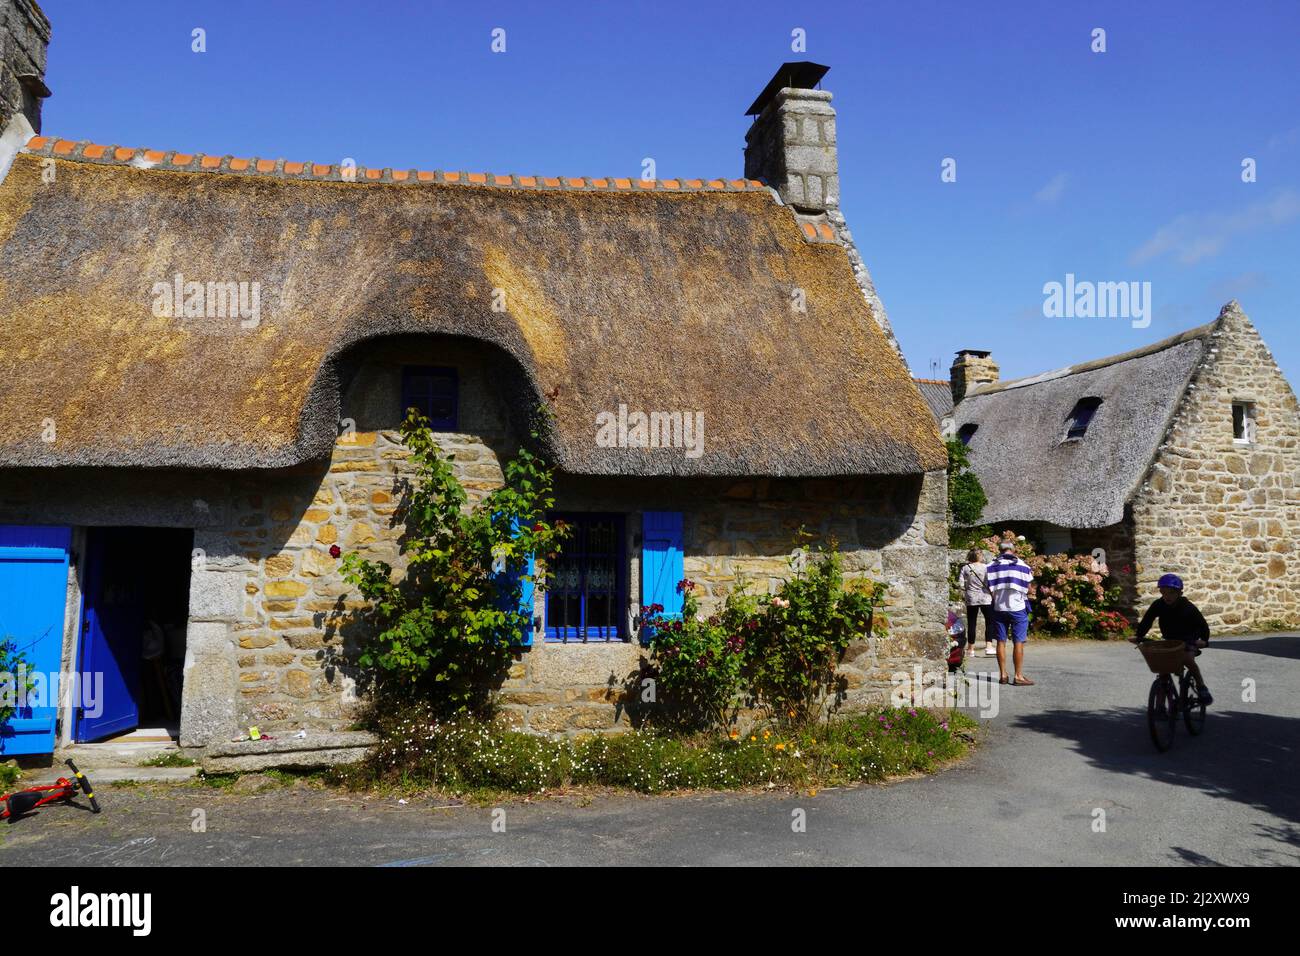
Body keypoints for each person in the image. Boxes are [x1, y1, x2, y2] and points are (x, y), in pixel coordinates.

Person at [1130, 573, 1213, 706]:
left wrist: (1204, 640)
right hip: (1170, 640)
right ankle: (1161, 707)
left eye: (1171, 593)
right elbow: (1147, 620)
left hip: (1188, 639)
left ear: (1179, 593)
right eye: (1164, 592)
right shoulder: (1159, 604)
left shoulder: (1188, 607)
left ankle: (1201, 687)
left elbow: (1202, 624)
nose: (1167, 596)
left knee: (1188, 660)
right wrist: (1139, 636)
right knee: (1163, 668)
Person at [987, 540, 1034, 685]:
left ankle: (1003, 675)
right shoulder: (1022, 566)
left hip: (999, 608)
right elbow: (1029, 588)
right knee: (1018, 642)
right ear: (1013, 550)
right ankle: (1018, 676)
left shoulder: (991, 566)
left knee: (1000, 642)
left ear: (1000, 550)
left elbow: (989, 587)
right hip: (1017, 608)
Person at [957, 549, 995, 660]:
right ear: (980, 556)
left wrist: (967, 588)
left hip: (971, 597)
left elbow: (961, 584)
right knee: (989, 621)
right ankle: (988, 646)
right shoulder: (986, 567)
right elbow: (991, 582)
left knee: (972, 622)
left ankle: (970, 649)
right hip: (985, 597)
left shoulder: (966, 568)